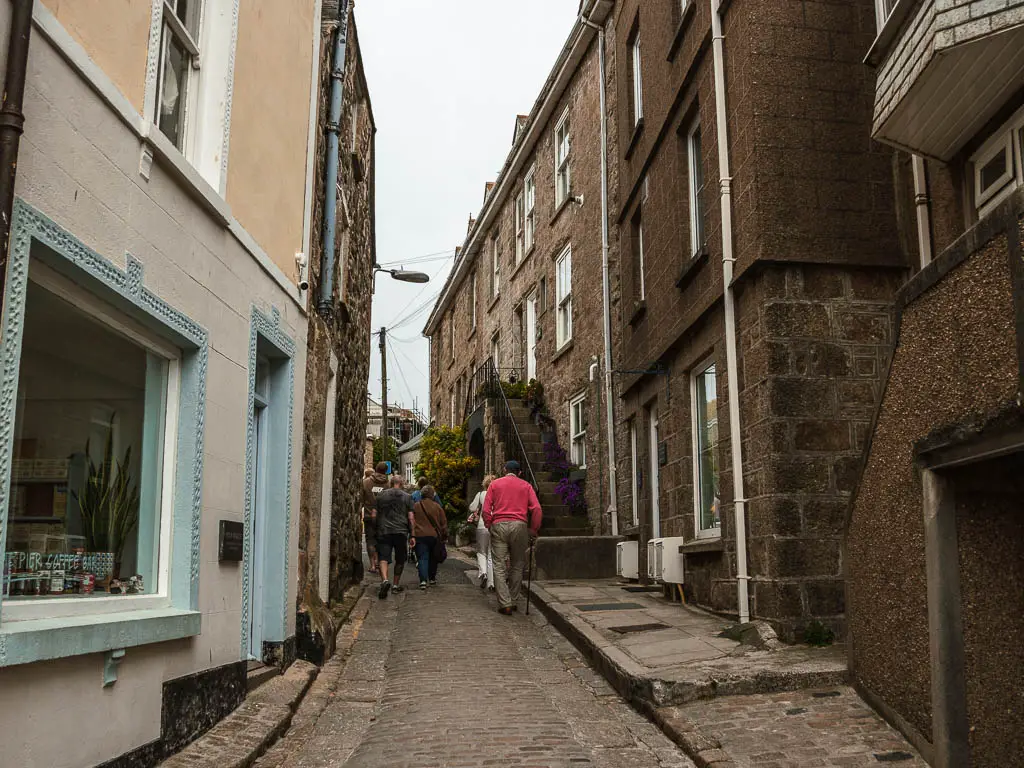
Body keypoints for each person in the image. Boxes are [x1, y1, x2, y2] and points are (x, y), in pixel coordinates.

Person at [483, 461, 542, 615]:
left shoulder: (494, 485)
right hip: (519, 525)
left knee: (499, 564)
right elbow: (536, 509)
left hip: (499, 524)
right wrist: (533, 529)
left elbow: (486, 509)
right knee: (518, 564)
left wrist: (489, 524)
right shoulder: (526, 486)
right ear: (519, 472)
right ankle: (514, 599)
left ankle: (505, 603)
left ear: (504, 470)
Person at [373, 475, 415, 599]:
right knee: (400, 559)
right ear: (401, 483)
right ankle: (395, 585)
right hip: (401, 531)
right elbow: (411, 517)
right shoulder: (407, 497)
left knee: (383, 557)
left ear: (391, 483)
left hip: (384, 530)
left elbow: (374, 514)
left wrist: (376, 527)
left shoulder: (380, 495)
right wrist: (412, 535)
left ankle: (385, 580)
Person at [412, 485, 448, 589]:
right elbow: (443, 522)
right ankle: (432, 578)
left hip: (420, 535)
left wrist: (412, 534)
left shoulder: (416, 506)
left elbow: (411, 521)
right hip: (434, 536)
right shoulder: (437, 506)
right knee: (433, 558)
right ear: (432, 495)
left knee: (422, 557)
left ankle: (423, 580)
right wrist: (444, 535)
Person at [467, 475, 495, 590]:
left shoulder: (481, 494)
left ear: (485, 484)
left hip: (482, 525)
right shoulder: (498, 493)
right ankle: (491, 583)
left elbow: (472, 508)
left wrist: (478, 509)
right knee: (491, 554)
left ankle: (483, 573)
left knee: (481, 552)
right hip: (495, 525)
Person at [361, 464, 389, 574]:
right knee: (381, 541)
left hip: (369, 515)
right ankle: (379, 563)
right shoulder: (388, 484)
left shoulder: (366, 482)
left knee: (370, 541)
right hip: (383, 517)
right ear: (386, 471)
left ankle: (373, 564)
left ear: (376, 469)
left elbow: (361, 498)